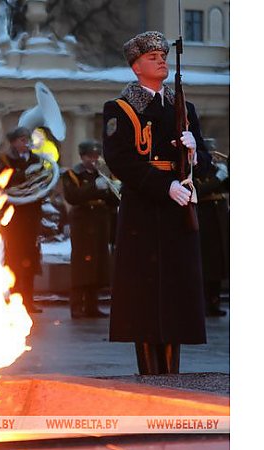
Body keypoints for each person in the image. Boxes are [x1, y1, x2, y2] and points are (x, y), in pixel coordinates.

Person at [103, 31, 212, 375]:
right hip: (144, 211)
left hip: (178, 212)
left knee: (177, 294)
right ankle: (151, 376)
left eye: (163, 56)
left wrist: (194, 151)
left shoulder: (184, 107)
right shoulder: (121, 109)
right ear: (136, 67)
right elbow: (121, 161)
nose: (162, 61)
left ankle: (172, 375)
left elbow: (206, 163)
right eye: (153, 57)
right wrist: (164, 186)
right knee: (145, 298)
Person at [62, 141, 119, 319]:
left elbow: (113, 201)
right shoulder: (73, 174)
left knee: (98, 265)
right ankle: (77, 306)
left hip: (100, 221)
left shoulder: (103, 175)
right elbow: (73, 196)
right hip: (83, 222)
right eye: (89, 156)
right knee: (81, 266)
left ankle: (92, 306)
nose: (93, 160)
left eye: (96, 156)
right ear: (82, 156)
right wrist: (95, 187)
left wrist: (114, 189)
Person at [0, 127, 45, 314]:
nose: (26, 144)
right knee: (14, 258)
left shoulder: (37, 160)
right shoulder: (5, 161)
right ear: (14, 142)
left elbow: (43, 182)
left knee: (31, 258)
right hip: (14, 215)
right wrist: (24, 174)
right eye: (22, 140)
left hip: (32, 214)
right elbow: (0, 182)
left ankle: (29, 299)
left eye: (27, 140)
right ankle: (15, 297)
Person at [193, 140, 228, 317]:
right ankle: (206, 302)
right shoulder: (198, 170)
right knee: (209, 264)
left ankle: (215, 301)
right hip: (205, 220)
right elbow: (199, 190)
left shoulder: (218, 169)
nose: (214, 155)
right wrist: (218, 179)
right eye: (211, 152)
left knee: (220, 263)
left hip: (219, 220)